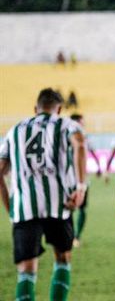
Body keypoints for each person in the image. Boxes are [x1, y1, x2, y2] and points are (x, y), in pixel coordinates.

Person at [0, 88, 87, 301]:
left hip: (25, 208)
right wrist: (81, 187)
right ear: (59, 108)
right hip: (59, 205)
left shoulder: (15, 130)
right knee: (63, 259)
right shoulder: (67, 124)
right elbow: (80, 144)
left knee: (26, 271)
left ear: (35, 109)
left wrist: (11, 207)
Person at [70, 114, 102, 248]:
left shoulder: (86, 138)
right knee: (68, 209)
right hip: (68, 180)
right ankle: (71, 236)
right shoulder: (64, 137)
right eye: (80, 123)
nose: (82, 125)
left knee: (82, 208)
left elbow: (93, 153)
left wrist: (99, 167)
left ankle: (76, 236)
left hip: (82, 179)